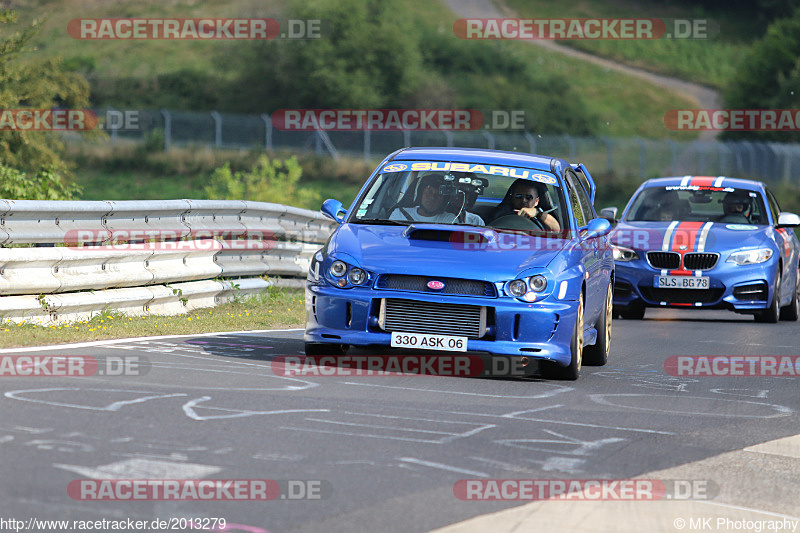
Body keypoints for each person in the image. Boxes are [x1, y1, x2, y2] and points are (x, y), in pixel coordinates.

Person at [389, 173, 485, 226]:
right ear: (420, 194)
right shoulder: (399, 214)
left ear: (445, 200)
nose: (432, 197)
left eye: (438, 194)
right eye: (429, 192)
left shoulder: (450, 220)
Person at [490, 178, 560, 231]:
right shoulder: (500, 214)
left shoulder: (542, 217)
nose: (523, 200)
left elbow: (557, 229)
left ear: (536, 201)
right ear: (512, 198)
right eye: (518, 196)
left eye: (529, 197)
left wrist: (538, 213)